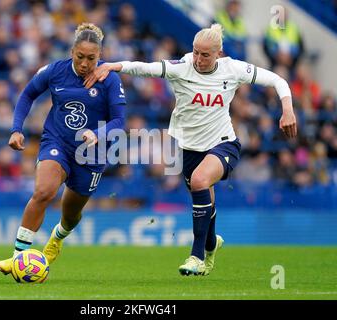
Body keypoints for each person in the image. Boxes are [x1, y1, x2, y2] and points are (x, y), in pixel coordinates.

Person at [84, 23, 297, 276]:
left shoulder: (234, 69)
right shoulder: (183, 67)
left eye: (205, 54)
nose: (198, 58)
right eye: (195, 52)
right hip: (189, 148)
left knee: (199, 180)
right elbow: (145, 69)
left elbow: (278, 80)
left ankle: (196, 257)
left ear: (219, 54)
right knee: (204, 201)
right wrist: (112, 65)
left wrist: (287, 109)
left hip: (223, 142)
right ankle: (210, 245)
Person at [0, 23, 126, 275]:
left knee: (70, 215)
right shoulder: (55, 71)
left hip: (92, 154)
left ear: (100, 55)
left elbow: (120, 121)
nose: (85, 63)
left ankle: (57, 237)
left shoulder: (109, 79)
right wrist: (16, 129)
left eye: (91, 58)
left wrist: (98, 134)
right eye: (80, 57)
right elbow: (27, 95)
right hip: (58, 142)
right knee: (44, 192)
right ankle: (18, 258)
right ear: (72, 52)